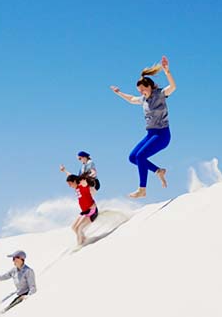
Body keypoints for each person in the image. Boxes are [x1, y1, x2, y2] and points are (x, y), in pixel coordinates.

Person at [110, 55, 177, 198]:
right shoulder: (144, 100)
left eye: (143, 90)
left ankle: (142, 189)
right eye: (140, 91)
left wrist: (167, 71)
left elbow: (173, 87)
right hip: (150, 134)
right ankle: (158, 171)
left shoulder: (160, 94)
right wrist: (119, 93)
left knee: (141, 155)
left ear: (150, 86)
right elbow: (131, 99)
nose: (141, 93)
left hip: (162, 135)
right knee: (133, 157)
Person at [66, 174, 98, 245]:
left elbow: (85, 183)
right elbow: (71, 176)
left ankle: (80, 245)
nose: (69, 186)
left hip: (92, 211)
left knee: (79, 228)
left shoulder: (82, 186)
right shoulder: (76, 188)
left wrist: (86, 181)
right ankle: (84, 239)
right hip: (84, 212)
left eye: (70, 184)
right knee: (74, 227)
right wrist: (65, 171)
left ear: (74, 181)